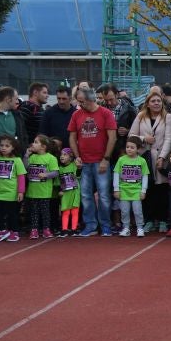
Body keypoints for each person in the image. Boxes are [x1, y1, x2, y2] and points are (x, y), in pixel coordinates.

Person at [68, 86, 117, 237]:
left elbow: (112, 138)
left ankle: (105, 225)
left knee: (104, 195)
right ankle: (90, 225)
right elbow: (72, 137)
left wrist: (106, 159)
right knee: (85, 195)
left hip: (100, 160)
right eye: (79, 101)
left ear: (91, 100)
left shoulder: (106, 113)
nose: (80, 104)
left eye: (82, 101)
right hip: (84, 161)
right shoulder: (76, 115)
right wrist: (77, 156)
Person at [129, 91, 171, 233]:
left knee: (162, 190)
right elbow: (131, 136)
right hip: (144, 158)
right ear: (148, 104)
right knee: (147, 189)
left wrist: (162, 157)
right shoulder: (140, 116)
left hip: (161, 157)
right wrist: (144, 139)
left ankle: (162, 220)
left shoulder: (168, 117)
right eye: (153, 101)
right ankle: (148, 220)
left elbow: (169, 138)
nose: (156, 103)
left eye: (158, 101)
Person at [0, 134, 27, 243]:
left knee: (12, 213)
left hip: (11, 192)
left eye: (7, 146)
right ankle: (2, 231)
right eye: (1, 145)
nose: (3, 148)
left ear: (13, 147)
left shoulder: (17, 160)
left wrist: (21, 192)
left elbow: (21, 177)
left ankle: (14, 231)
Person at [113, 135, 149, 237]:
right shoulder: (121, 160)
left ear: (138, 149)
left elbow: (145, 176)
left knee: (137, 211)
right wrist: (116, 189)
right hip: (124, 190)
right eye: (127, 147)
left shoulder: (142, 161)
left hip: (136, 191)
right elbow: (116, 174)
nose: (129, 149)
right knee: (124, 211)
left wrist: (143, 191)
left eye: (132, 147)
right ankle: (126, 228)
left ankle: (140, 228)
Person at [25, 134, 59, 239]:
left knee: (45, 212)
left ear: (43, 147)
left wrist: (46, 175)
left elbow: (55, 173)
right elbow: (24, 168)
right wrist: (26, 156)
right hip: (33, 191)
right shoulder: (32, 157)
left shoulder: (51, 158)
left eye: (36, 142)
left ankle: (46, 229)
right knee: (34, 212)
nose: (33, 144)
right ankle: (34, 230)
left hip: (44, 191)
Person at [97, 83, 137, 160]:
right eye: (106, 100)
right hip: (105, 149)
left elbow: (138, 128)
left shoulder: (130, 109)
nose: (109, 103)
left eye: (111, 99)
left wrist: (128, 131)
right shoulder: (99, 109)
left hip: (123, 149)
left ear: (117, 95)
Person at [0, 87, 28, 151]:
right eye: (16, 99)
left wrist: (24, 150)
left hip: (16, 154)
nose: (17, 102)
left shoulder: (18, 115)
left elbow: (24, 136)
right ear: (8, 100)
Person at [57, 146, 80, 237]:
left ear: (70, 157)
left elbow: (78, 175)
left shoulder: (74, 165)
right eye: (61, 155)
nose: (62, 156)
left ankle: (74, 229)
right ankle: (64, 229)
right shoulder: (60, 169)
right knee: (65, 211)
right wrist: (60, 190)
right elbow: (58, 181)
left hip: (75, 192)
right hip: (65, 193)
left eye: (65, 154)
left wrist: (79, 167)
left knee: (75, 211)